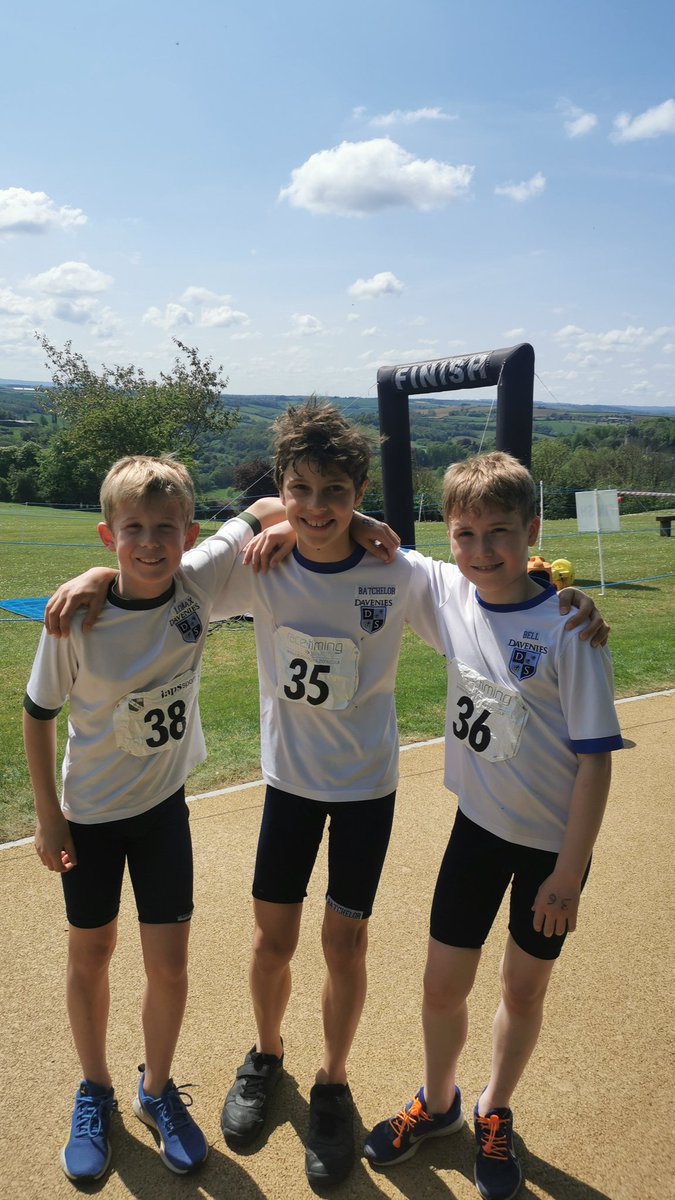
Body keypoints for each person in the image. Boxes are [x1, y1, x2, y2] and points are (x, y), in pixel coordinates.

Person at [44, 407, 608, 1188]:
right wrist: (99, 574)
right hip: (288, 789)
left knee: (345, 946)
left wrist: (560, 589)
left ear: (360, 492)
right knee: (271, 943)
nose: (314, 506)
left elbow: (492, 583)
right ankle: (266, 1054)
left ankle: (332, 1081)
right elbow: (165, 568)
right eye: (299, 490)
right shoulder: (257, 565)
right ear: (279, 489)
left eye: (335, 491)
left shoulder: (400, 571)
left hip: (365, 795)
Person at [363, 451, 623, 1200]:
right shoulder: (450, 589)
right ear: (449, 535)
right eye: (465, 533)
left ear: (531, 529)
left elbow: (596, 765)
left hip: (550, 853)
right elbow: (352, 529)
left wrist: (567, 878)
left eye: (499, 533)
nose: (481, 550)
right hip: (475, 831)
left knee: (521, 991)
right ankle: (439, 1102)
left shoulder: (570, 629)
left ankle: (492, 1109)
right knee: (441, 987)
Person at [23, 454, 287, 1183]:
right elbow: (38, 716)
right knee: (92, 955)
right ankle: (96, 1089)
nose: (149, 543)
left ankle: (154, 1089)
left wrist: (345, 522)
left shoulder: (197, 580)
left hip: (164, 812)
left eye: (164, 529)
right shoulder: (76, 617)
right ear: (108, 536)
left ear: (188, 532)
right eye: (132, 530)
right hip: (90, 818)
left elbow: (266, 511)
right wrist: (49, 818)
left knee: (169, 966)